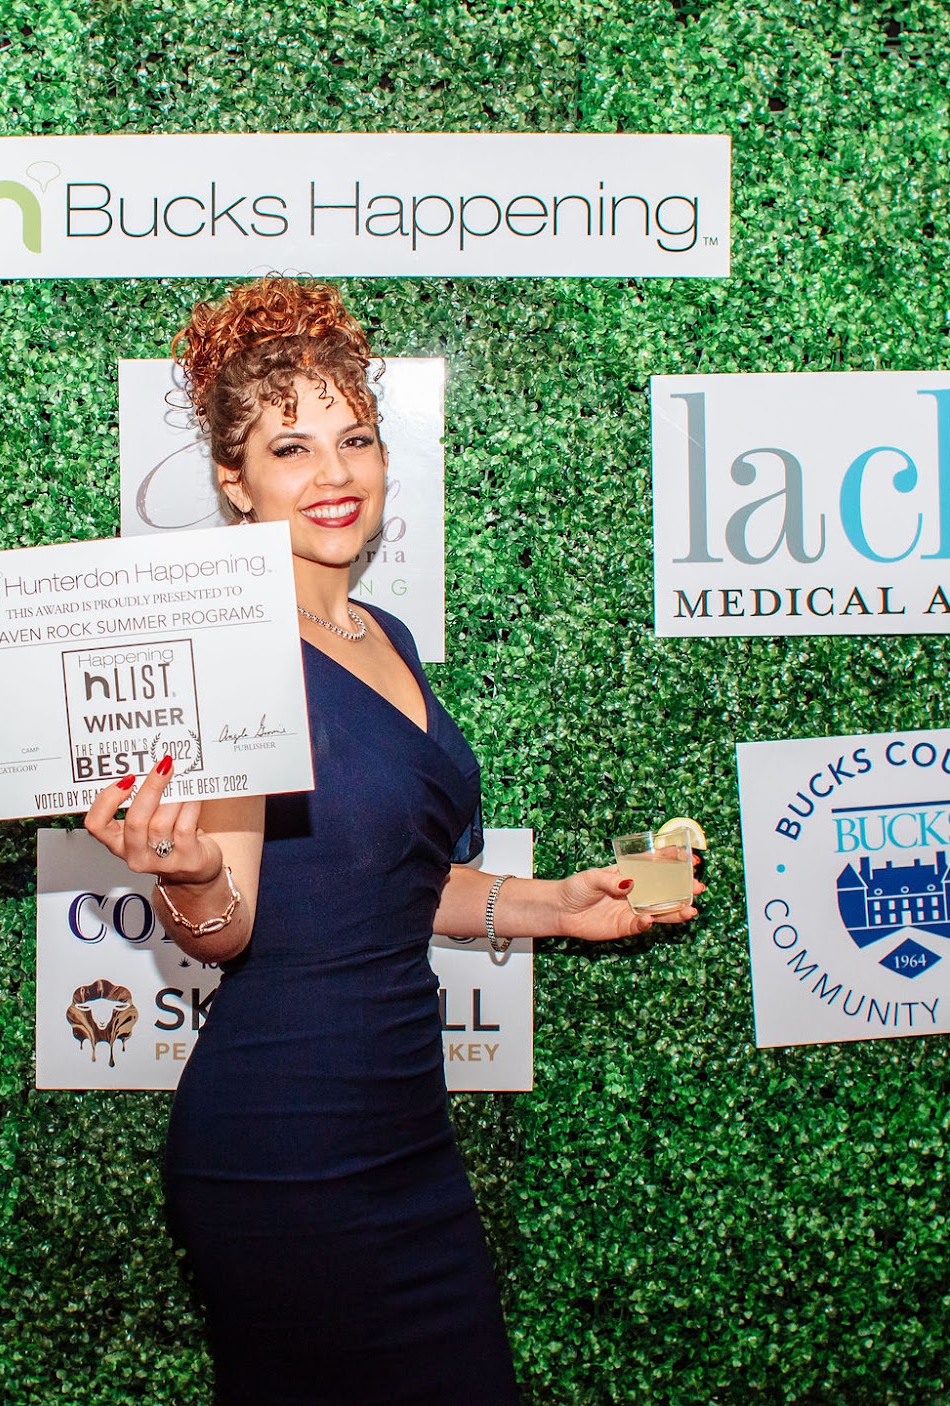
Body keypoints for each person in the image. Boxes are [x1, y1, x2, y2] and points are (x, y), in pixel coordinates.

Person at [84, 276, 701, 1405]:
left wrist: (555, 904)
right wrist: (190, 875)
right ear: (233, 480)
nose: (335, 475)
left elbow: (389, 882)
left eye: (355, 440)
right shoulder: (225, 641)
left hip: (406, 1129)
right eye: (290, 448)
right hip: (287, 1140)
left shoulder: (388, 634)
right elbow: (225, 930)